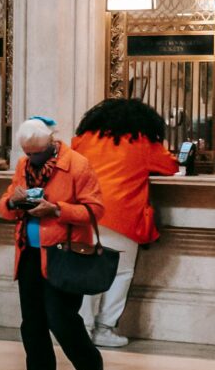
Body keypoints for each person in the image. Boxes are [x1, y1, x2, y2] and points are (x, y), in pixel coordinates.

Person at [1, 118, 107, 370]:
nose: (32, 158)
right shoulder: (24, 166)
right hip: (29, 253)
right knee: (32, 322)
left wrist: (57, 210)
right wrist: (14, 202)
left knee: (61, 319)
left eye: (37, 152)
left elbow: (95, 210)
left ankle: (91, 366)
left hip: (63, 253)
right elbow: (6, 203)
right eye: (27, 153)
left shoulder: (77, 165)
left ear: (50, 143)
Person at [70, 96, 179, 349]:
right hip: (122, 219)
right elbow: (171, 165)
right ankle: (104, 329)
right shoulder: (141, 142)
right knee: (120, 273)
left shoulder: (84, 139)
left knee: (86, 273)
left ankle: (82, 328)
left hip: (83, 215)